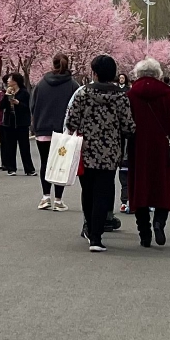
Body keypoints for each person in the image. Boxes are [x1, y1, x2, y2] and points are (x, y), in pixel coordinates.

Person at [62, 54, 135, 251]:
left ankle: (89, 227)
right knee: (103, 192)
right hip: (110, 153)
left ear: (94, 72)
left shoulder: (82, 93)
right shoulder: (121, 97)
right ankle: (96, 236)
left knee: (88, 191)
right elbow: (129, 126)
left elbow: (71, 122)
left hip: (85, 151)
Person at [125, 58, 170, 248]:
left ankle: (144, 233)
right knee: (163, 187)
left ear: (138, 74)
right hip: (162, 147)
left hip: (137, 147)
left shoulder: (131, 94)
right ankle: (159, 222)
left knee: (139, 188)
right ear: (158, 74)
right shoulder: (166, 93)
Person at [30, 55, 80, 210]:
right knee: (61, 164)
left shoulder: (41, 84)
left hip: (43, 128)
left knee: (45, 163)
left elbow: (32, 105)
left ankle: (45, 197)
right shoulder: (73, 85)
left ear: (53, 64)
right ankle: (58, 200)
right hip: (63, 132)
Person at [0, 73, 34, 176]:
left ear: (15, 81)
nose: (8, 81)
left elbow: (28, 107)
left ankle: (29, 169)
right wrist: (6, 96)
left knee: (24, 147)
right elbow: (2, 105)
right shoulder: (7, 92)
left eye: (10, 79)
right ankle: (11, 169)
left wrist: (18, 103)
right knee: (10, 146)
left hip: (21, 123)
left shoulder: (24, 93)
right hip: (9, 122)